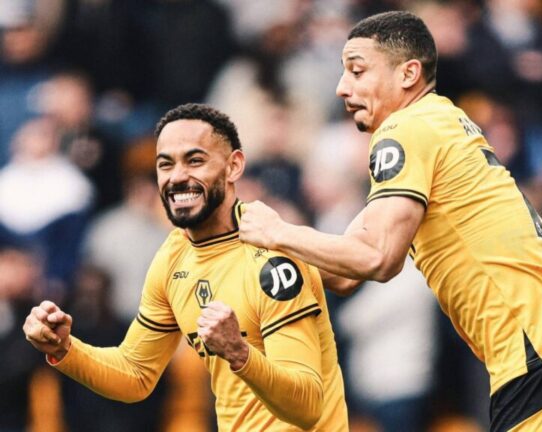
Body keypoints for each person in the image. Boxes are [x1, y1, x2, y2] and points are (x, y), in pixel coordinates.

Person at [239, 11, 542, 431]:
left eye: (357, 71)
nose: (342, 87)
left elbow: (378, 257)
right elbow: (346, 272)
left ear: (408, 74)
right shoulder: (441, 123)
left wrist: (277, 231)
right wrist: (261, 252)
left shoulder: (404, 129)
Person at [22, 103, 348, 431]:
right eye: (166, 164)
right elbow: (136, 373)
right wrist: (65, 349)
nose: (177, 177)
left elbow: (307, 406)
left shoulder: (273, 252)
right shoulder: (174, 255)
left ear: (234, 166)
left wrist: (239, 353)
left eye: (195, 161)